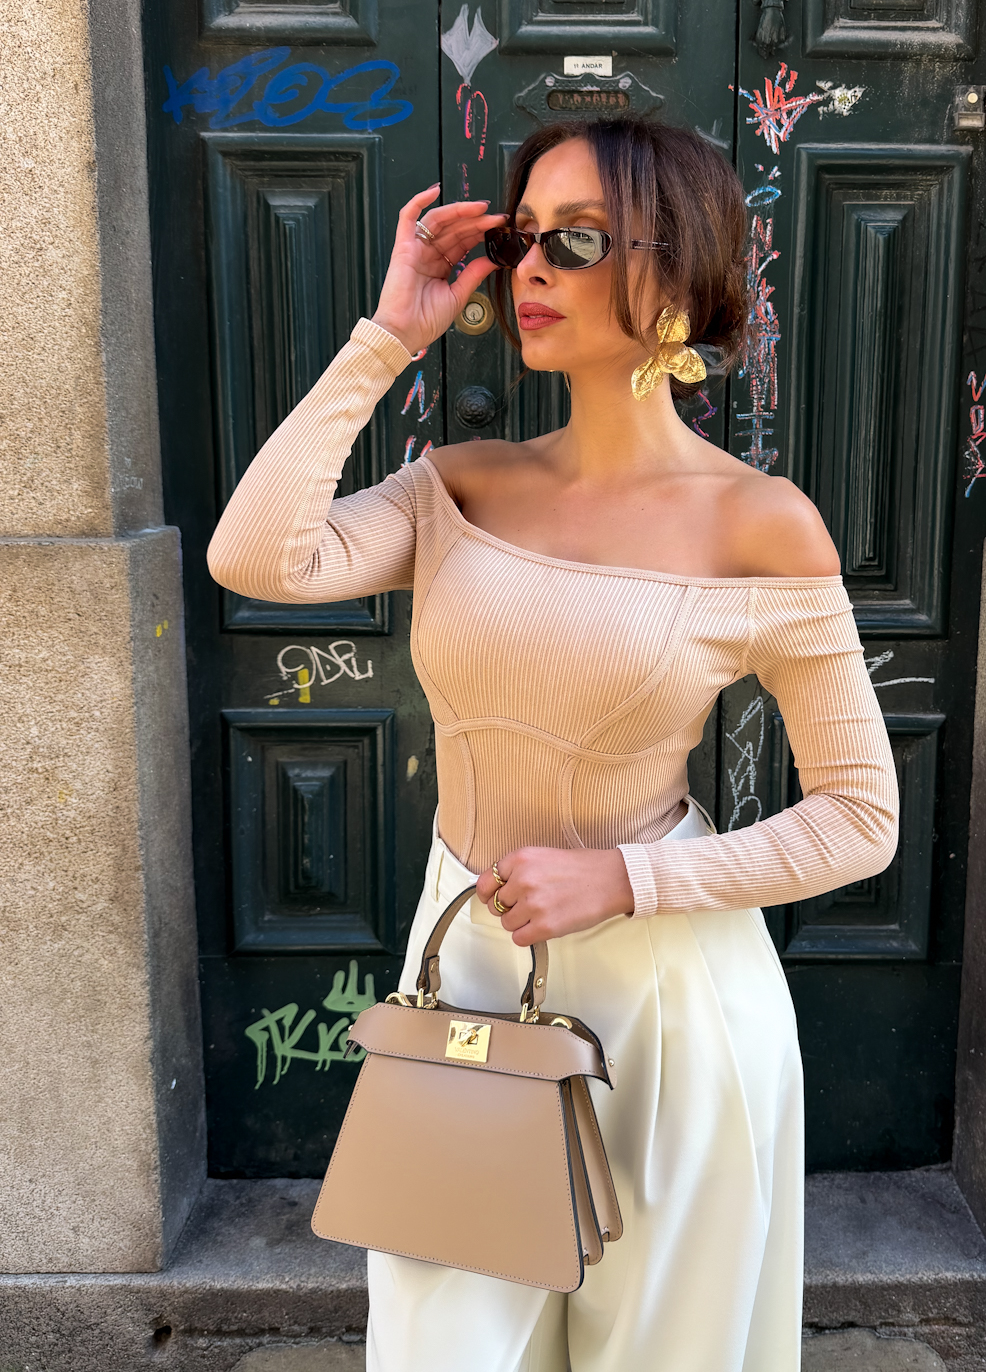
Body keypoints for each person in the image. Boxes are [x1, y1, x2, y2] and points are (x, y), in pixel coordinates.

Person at [207, 117, 900, 1372]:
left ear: (675, 270)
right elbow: (256, 555)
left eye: (574, 240)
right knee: (442, 1346)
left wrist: (626, 878)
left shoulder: (760, 525)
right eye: (525, 235)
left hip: (669, 1008)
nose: (529, 265)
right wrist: (387, 339)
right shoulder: (462, 485)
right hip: (467, 988)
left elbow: (862, 815)